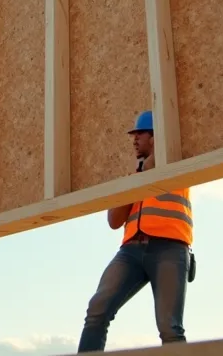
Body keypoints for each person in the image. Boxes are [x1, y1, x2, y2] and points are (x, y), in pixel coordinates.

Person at [77, 111, 192, 352]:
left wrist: (153, 161)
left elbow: (168, 150)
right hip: (131, 250)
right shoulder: (132, 175)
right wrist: (136, 179)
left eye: (140, 134)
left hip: (170, 247)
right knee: (97, 309)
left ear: (155, 136)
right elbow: (114, 221)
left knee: (170, 328)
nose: (134, 140)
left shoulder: (175, 161)